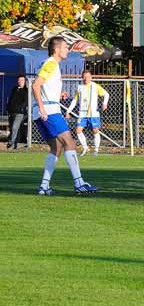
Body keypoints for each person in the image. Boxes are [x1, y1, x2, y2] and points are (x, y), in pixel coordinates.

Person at [32, 37, 96, 195]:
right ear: (57, 50)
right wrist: (43, 108)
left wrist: (57, 95)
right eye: (66, 47)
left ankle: (44, 186)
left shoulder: (49, 64)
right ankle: (79, 183)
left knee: (56, 147)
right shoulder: (51, 64)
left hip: (42, 110)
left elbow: (44, 86)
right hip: (49, 111)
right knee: (70, 143)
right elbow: (36, 85)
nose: (68, 50)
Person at [65, 70, 109, 156]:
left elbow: (106, 94)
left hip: (93, 113)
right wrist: (68, 111)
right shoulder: (79, 88)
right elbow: (75, 100)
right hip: (82, 114)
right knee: (78, 130)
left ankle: (96, 149)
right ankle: (85, 148)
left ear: (91, 77)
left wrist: (104, 103)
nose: (86, 79)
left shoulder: (95, 86)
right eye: (84, 77)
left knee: (95, 130)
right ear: (82, 78)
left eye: (88, 77)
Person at [6, 75, 28, 149]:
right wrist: (8, 107)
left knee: (15, 127)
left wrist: (21, 108)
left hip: (20, 113)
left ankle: (11, 143)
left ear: (25, 81)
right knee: (12, 128)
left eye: (22, 80)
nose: (20, 81)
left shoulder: (26, 90)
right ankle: (14, 143)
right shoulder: (14, 89)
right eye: (19, 80)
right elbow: (11, 99)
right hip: (11, 111)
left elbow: (25, 102)